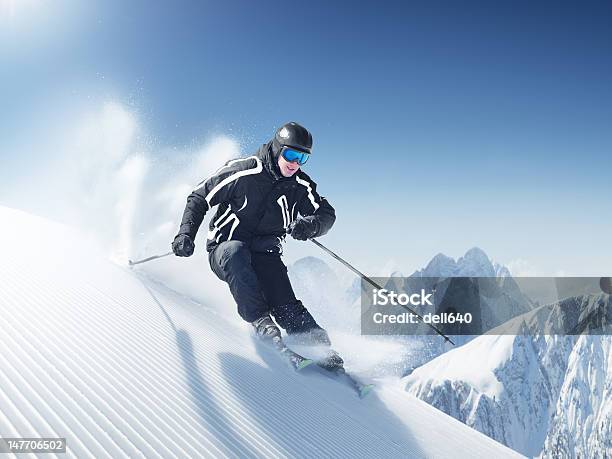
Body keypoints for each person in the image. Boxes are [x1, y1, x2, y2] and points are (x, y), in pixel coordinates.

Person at [172, 122, 336, 348]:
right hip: (226, 249)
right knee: (236, 252)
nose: (295, 163)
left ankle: (320, 348)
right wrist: (186, 234)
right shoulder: (244, 171)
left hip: (266, 255)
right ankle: (261, 321)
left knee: (287, 305)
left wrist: (311, 225)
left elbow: (326, 213)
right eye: (290, 154)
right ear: (278, 148)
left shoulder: (300, 186)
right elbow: (200, 197)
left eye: (302, 158)